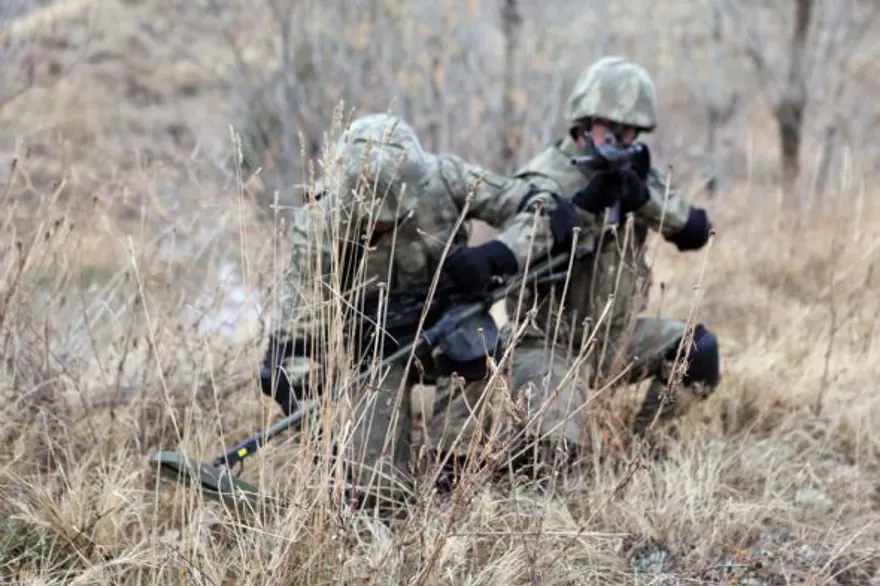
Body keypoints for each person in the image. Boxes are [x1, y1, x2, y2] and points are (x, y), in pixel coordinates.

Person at [258, 112, 577, 514]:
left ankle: (453, 472)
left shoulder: (445, 177)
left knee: (475, 346)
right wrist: (317, 421)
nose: (384, 227)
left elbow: (544, 203)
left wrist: (497, 255)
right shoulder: (320, 223)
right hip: (372, 345)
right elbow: (296, 328)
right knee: (376, 494)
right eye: (374, 223)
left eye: (394, 219)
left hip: (453, 323)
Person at [441, 56, 722, 451]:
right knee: (547, 458)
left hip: (613, 337)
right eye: (612, 128)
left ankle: (643, 446)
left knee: (699, 352)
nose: (621, 139)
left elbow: (694, 231)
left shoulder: (634, 171)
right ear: (585, 122)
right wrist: (583, 209)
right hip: (547, 341)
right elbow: (522, 240)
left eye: (631, 132)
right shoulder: (545, 176)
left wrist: (642, 196)